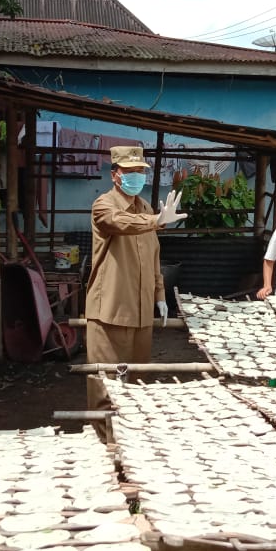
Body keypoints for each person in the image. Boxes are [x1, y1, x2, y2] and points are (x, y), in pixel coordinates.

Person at [84, 145, 186, 438]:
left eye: (140, 171)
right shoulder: (104, 206)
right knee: (106, 383)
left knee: (137, 385)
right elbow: (119, 223)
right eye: (130, 172)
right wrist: (156, 221)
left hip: (141, 313)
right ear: (115, 175)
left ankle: (130, 444)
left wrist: (159, 296)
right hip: (110, 311)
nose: (136, 177)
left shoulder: (145, 208)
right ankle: (104, 444)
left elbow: (153, 257)